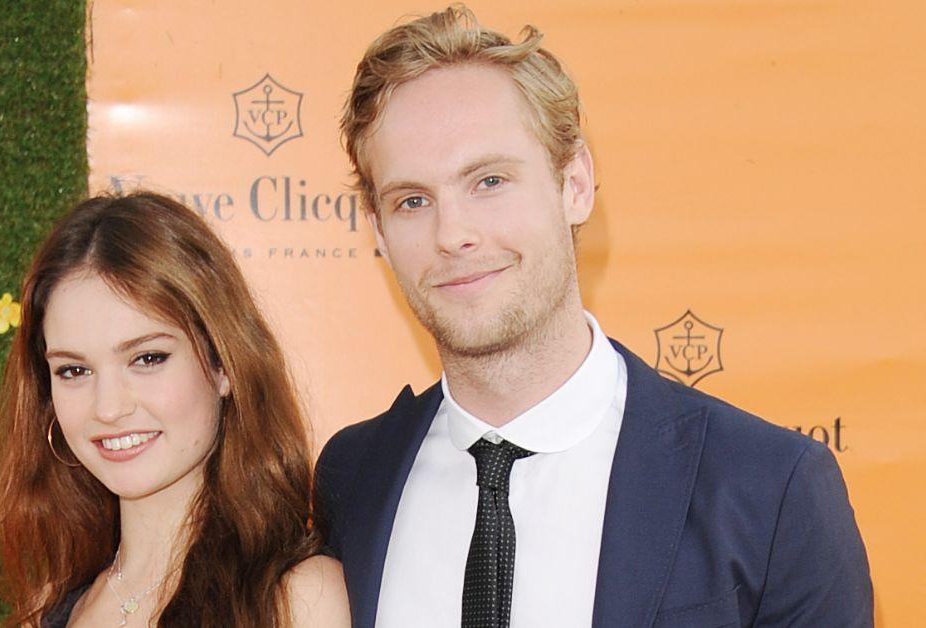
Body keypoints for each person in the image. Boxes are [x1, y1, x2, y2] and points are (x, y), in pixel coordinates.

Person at [314, 5, 872, 628]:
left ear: (574, 183)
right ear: (379, 232)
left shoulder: (769, 488)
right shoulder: (351, 477)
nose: (454, 234)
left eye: (490, 181)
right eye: (412, 200)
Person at [0, 193, 349, 627]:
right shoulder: (46, 609)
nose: (109, 407)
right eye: (74, 370)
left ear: (223, 364)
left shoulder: (297, 599)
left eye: (147, 359)